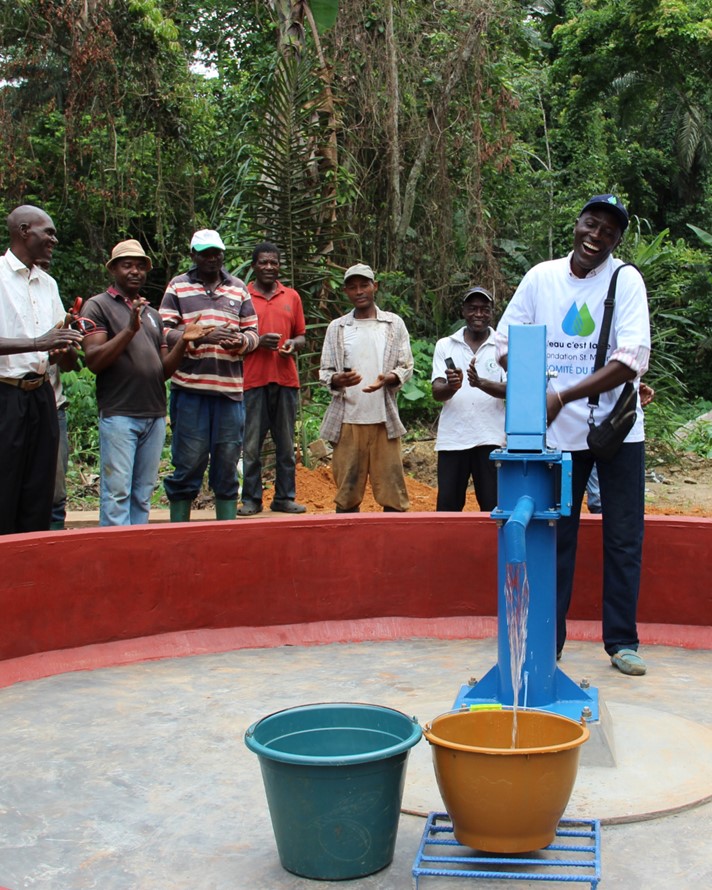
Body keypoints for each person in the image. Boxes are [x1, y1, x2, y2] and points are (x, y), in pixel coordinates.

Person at [496, 194, 651, 676]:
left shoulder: (626, 281)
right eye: (591, 223)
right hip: (558, 439)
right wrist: (535, 384)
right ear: (577, 223)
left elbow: (630, 359)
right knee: (556, 536)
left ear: (617, 240)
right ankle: (550, 639)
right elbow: (505, 344)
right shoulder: (541, 278)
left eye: (608, 231)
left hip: (617, 434)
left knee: (624, 537)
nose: (596, 236)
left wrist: (560, 394)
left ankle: (622, 642)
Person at [82, 240, 209, 526]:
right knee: (117, 492)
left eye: (140, 266)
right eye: (127, 265)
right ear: (113, 269)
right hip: (119, 413)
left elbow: (162, 370)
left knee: (142, 493)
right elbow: (94, 360)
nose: (135, 271)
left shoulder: (151, 315)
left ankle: (135, 556)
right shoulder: (98, 306)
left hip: (152, 415)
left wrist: (184, 342)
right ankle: (114, 555)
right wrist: (129, 330)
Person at [159, 229, 259, 521]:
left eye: (216, 253)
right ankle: (180, 531)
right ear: (193, 256)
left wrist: (240, 342)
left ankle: (225, 533)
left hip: (229, 392)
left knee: (227, 465)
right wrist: (201, 337)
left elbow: (253, 331)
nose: (212, 258)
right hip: (190, 390)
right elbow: (163, 330)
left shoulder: (238, 288)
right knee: (188, 463)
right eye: (205, 253)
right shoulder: (178, 287)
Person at [0, 205, 83, 535]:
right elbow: (39, 341)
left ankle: (30, 572)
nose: (54, 238)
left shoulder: (47, 284)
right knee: (5, 486)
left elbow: (57, 351)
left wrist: (65, 348)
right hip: (6, 396)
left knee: (39, 490)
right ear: (23, 231)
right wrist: (38, 341)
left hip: (42, 397)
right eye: (47, 231)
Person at [319, 263, 413, 512]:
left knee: (393, 492)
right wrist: (337, 380)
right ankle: (347, 547)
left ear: (375, 287)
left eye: (364, 285)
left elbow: (406, 365)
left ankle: (393, 548)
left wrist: (390, 378)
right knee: (346, 493)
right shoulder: (337, 327)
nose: (359, 291)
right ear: (346, 292)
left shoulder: (393, 324)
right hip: (348, 421)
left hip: (384, 420)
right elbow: (325, 371)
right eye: (352, 287)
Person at [238, 242, 307, 515]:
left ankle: (284, 497)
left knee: (286, 445)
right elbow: (234, 339)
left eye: (274, 262)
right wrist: (257, 343)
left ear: (280, 265)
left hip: (285, 380)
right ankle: (252, 499)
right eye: (263, 262)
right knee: (251, 445)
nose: (269, 267)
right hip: (252, 380)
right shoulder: (242, 297)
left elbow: (301, 334)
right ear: (254, 265)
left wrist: (294, 343)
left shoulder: (292, 297)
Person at [431, 286, 506, 512]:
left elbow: (512, 390)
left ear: (492, 312)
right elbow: (437, 392)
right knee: (448, 508)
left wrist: (481, 383)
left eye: (484, 309)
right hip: (453, 438)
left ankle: (492, 549)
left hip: (491, 439)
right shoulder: (445, 345)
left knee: (494, 507)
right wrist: (452, 386)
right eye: (473, 308)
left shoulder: (503, 347)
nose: (479, 314)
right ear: (463, 311)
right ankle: (447, 548)